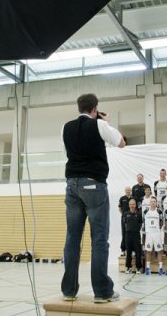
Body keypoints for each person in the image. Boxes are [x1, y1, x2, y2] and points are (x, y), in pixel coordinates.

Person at [61, 93, 125, 303]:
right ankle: (102, 291)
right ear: (95, 109)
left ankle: (69, 291)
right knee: (99, 239)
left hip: (72, 185)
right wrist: (106, 123)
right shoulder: (99, 125)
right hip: (93, 184)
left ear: (79, 108)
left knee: (72, 238)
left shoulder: (66, 127)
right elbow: (121, 143)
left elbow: (69, 151)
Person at [143, 196, 164, 275]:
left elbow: (161, 222)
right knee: (148, 251)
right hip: (149, 234)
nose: (153, 203)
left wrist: (157, 229)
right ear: (149, 203)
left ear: (156, 203)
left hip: (157, 234)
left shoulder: (159, 212)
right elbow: (144, 222)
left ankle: (160, 268)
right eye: (151, 201)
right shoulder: (145, 211)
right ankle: (147, 268)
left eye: (154, 201)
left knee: (159, 251)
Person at [123, 199, 143, 274]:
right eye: (130, 204)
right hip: (128, 235)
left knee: (138, 251)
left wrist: (136, 229)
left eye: (133, 204)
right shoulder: (125, 214)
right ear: (129, 205)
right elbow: (125, 224)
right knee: (128, 252)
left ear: (135, 205)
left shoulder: (139, 214)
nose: (132, 206)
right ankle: (129, 267)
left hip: (136, 235)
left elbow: (140, 224)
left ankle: (138, 268)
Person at [118, 186, 132, 256]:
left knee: (132, 234)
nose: (128, 191)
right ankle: (123, 249)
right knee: (124, 233)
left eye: (129, 190)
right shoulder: (122, 198)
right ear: (125, 191)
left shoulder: (133, 198)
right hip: (124, 218)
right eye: (126, 190)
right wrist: (124, 215)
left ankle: (132, 250)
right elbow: (120, 208)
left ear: (131, 191)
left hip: (132, 219)